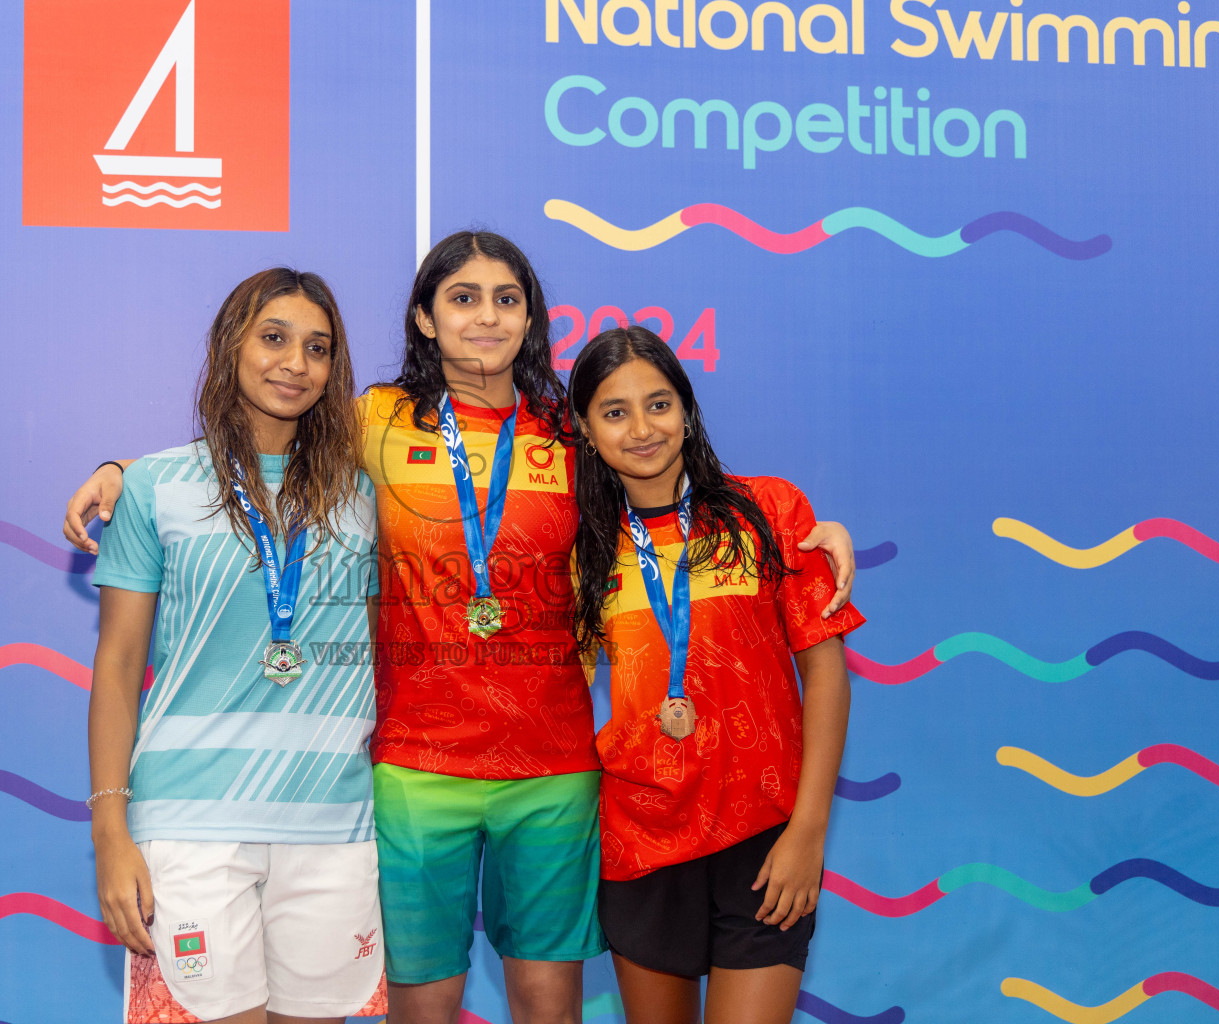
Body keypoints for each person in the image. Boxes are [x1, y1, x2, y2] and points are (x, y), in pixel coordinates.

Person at [65, 232, 857, 1024]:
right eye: (463, 298)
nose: (486, 317)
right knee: (425, 1002)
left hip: (552, 770)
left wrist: (806, 534)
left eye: (506, 299)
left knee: (549, 1001)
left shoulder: (570, 434)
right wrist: (123, 474)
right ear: (424, 318)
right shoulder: (375, 421)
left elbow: (668, 492)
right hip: (416, 765)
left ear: (531, 318)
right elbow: (266, 443)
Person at [87, 268, 385, 1024]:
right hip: (190, 826)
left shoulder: (363, 493)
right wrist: (109, 832)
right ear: (230, 347)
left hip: (333, 826)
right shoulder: (155, 486)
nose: (295, 363)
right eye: (274, 338)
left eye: (317, 348)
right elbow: (119, 667)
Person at [567, 326, 863, 1024]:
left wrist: (809, 832)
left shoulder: (769, 512)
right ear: (585, 429)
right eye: (615, 411)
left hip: (766, 840)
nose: (642, 428)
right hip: (642, 843)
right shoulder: (581, 551)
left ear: (688, 410)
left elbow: (825, 675)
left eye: (659, 404)